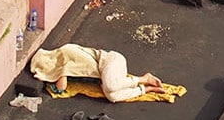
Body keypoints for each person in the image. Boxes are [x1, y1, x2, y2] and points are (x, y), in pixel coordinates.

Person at [30, 43, 167, 102]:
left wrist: (60, 72)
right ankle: (145, 89)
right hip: (106, 75)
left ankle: (143, 79)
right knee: (112, 97)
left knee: (111, 87)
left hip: (111, 61)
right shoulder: (63, 65)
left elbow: (61, 87)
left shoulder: (66, 52)